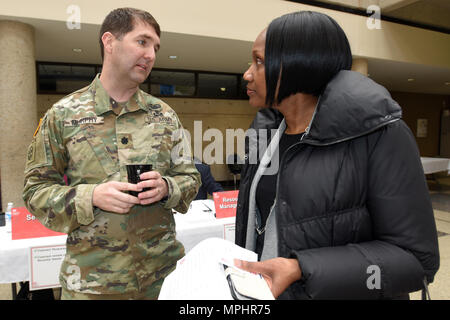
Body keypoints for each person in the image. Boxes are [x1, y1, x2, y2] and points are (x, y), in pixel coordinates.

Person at [234, 11, 439, 299]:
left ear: (296, 65)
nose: (247, 73)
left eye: (259, 62)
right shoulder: (266, 134)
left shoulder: (379, 135)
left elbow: (416, 261)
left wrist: (301, 269)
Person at [22, 7, 200, 300]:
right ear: (109, 41)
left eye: (155, 47)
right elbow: (34, 192)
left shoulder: (166, 116)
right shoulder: (62, 115)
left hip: (162, 281)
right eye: (142, 42)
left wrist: (167, 187)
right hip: (93, 286)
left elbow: (190, 179)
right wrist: (90, 197)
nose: (151, 55)